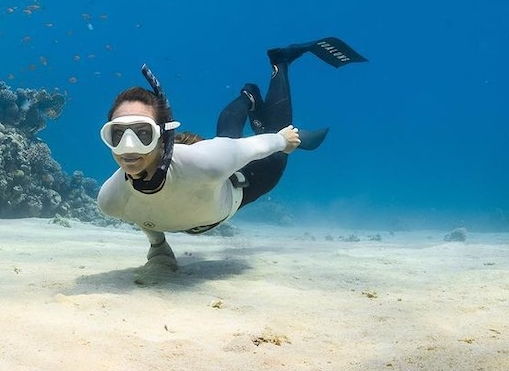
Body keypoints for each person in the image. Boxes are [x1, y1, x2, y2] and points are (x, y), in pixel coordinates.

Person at [96, 37, 367, 264]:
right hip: (213, 169)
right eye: (117, 134)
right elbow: (140, 210)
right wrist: (158, 246)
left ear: (163, 135)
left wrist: (284, 139)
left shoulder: (206, 163)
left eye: (143, 133)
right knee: (224, 141)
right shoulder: (111, 199)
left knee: (265, 154)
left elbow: (252, 146)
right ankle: (246, 97)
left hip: (241, 184)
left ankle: (280, 63)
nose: (128, 147)